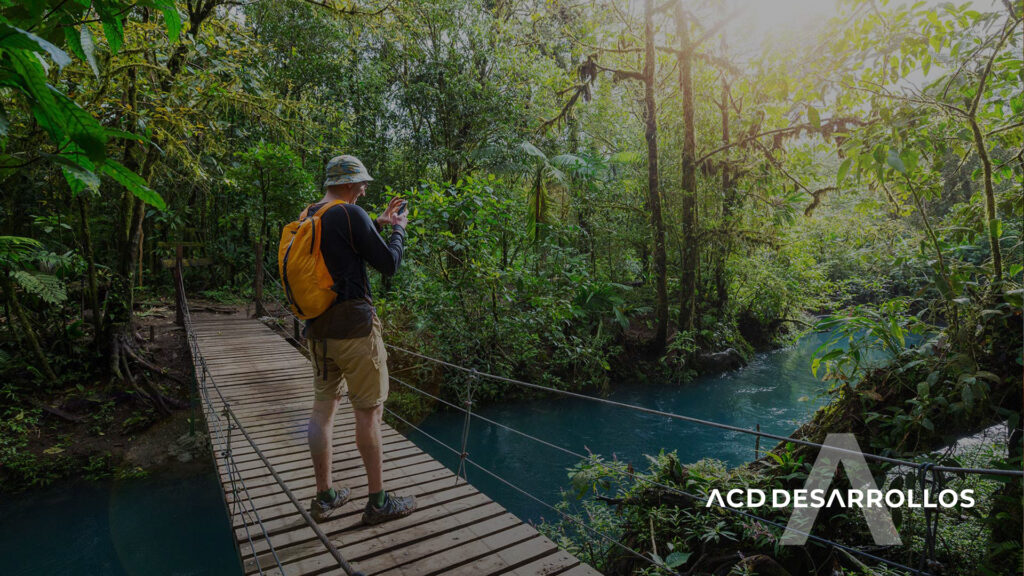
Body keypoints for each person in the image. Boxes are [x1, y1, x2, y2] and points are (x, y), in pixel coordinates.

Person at [303, 154, 416, 525]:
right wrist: (398, 228)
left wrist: (376, 223)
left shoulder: (311, 215)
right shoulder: (351, 214)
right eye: (362, 184)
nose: (365, 189)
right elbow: (389, 264)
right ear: (350, 184)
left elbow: (341, 256)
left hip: (318, 332)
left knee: (323, 410)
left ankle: (324, 496)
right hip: (354, 330)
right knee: (369, 413)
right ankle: (378, 502)